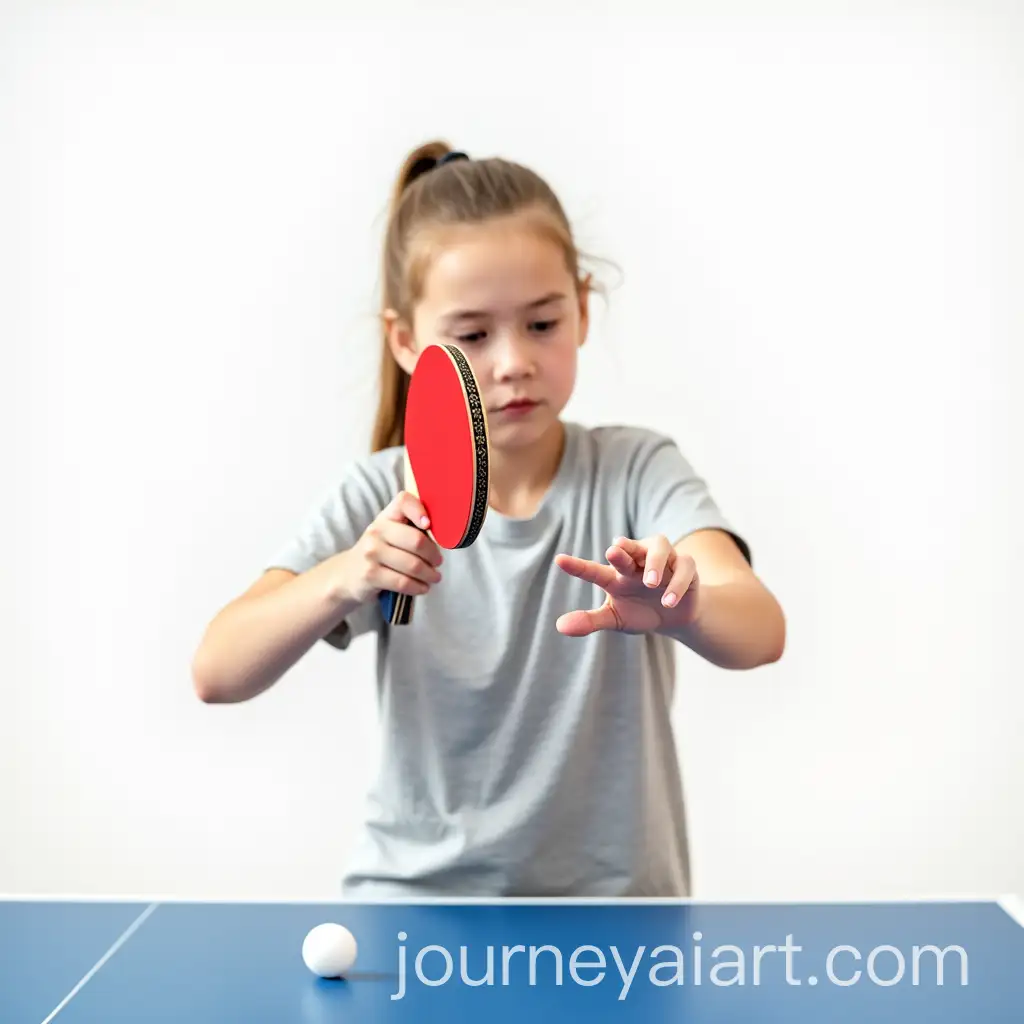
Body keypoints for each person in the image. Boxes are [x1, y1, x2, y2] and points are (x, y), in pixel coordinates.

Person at [191, 140, 786, 899]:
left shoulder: (639, 473)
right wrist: (347, 578)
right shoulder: (380, 495)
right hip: (415, 910)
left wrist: (683, 607)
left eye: (542, 323)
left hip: (615, 916)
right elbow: (215, 670)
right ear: (406, 342)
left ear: (582, 307)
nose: (512, 362)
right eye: (472, 334)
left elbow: (762, 630)